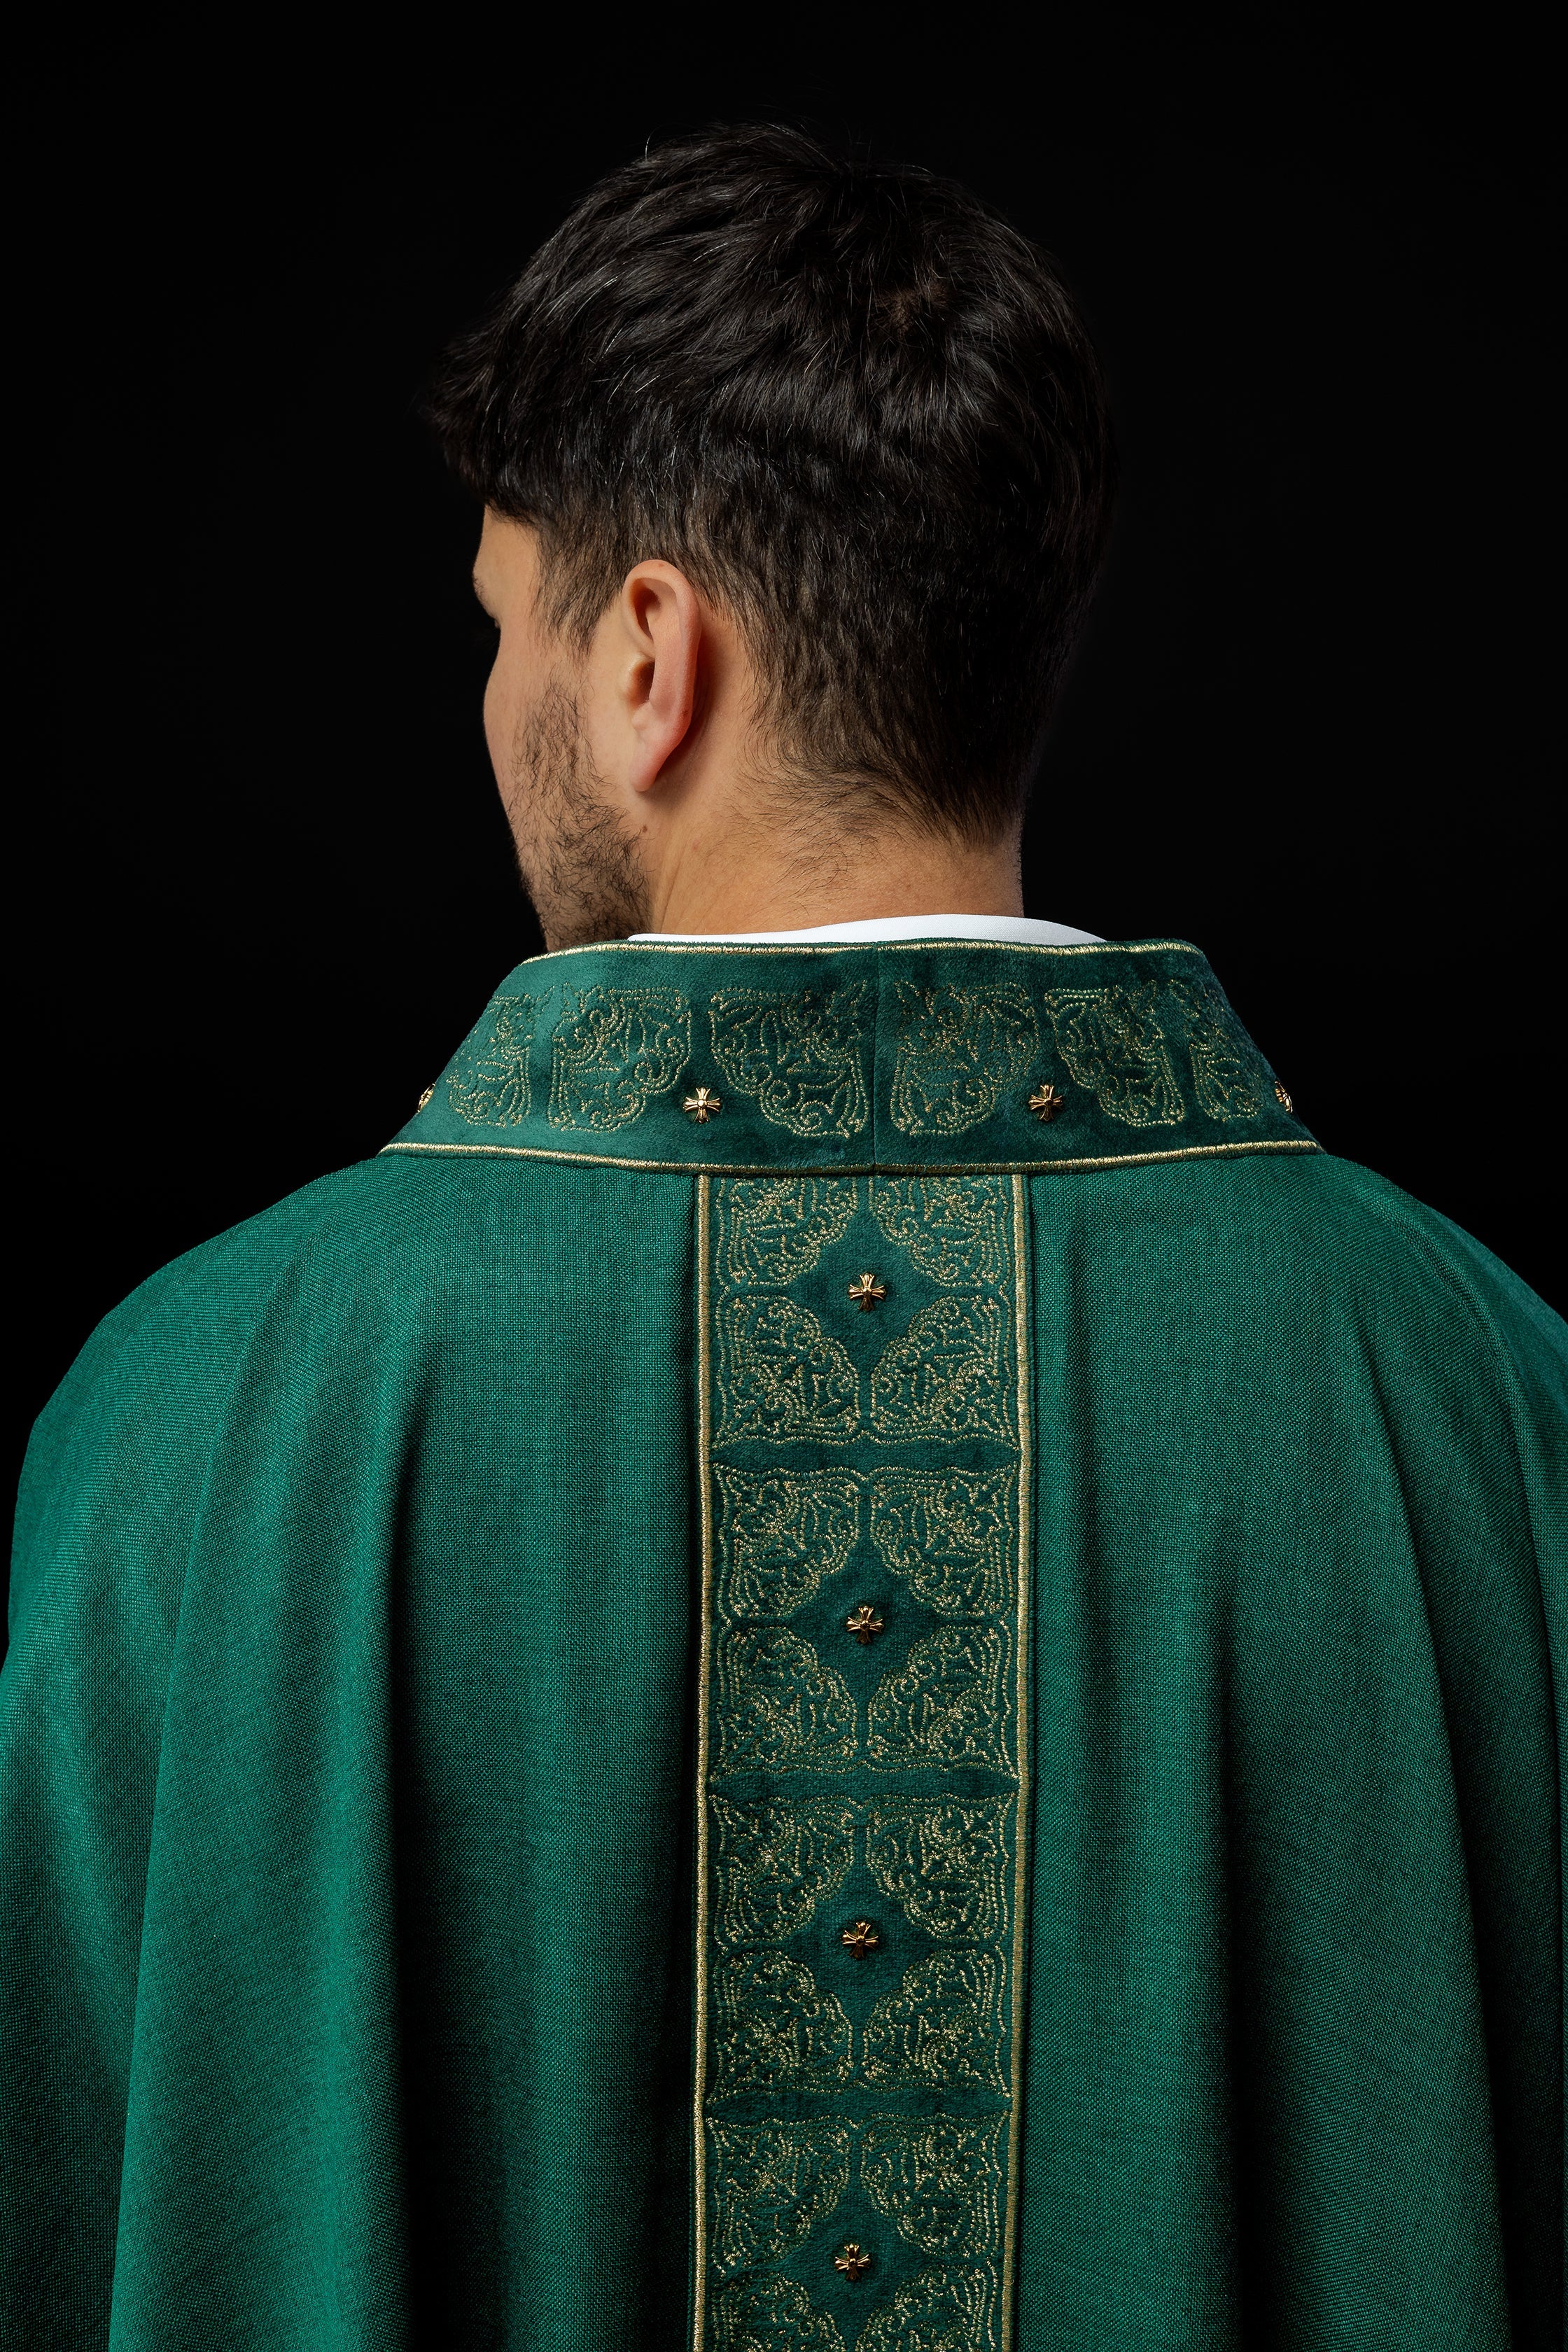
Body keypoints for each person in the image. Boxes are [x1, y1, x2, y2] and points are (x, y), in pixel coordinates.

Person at [3, 122, 1562, 2352]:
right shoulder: (1489, 1411)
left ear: (648, 656)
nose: (487, 707)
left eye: (500, 623)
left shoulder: (191, 1424)